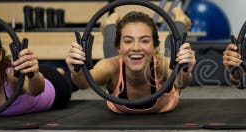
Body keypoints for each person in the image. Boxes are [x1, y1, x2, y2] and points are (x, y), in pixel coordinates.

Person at [65, 8, 195, 114]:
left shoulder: (162, 65)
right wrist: (77, 70)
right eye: (128, 41)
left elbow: (181, 82)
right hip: (120, 62)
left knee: (174, 51)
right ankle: (111, 22)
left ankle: (180, 17)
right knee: (114, 50)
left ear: (155, 46)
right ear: (118, 48)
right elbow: (82, 83)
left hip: (154, 66)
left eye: (144, 40)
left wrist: (184, 70)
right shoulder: (111, 66)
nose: (136, 47)